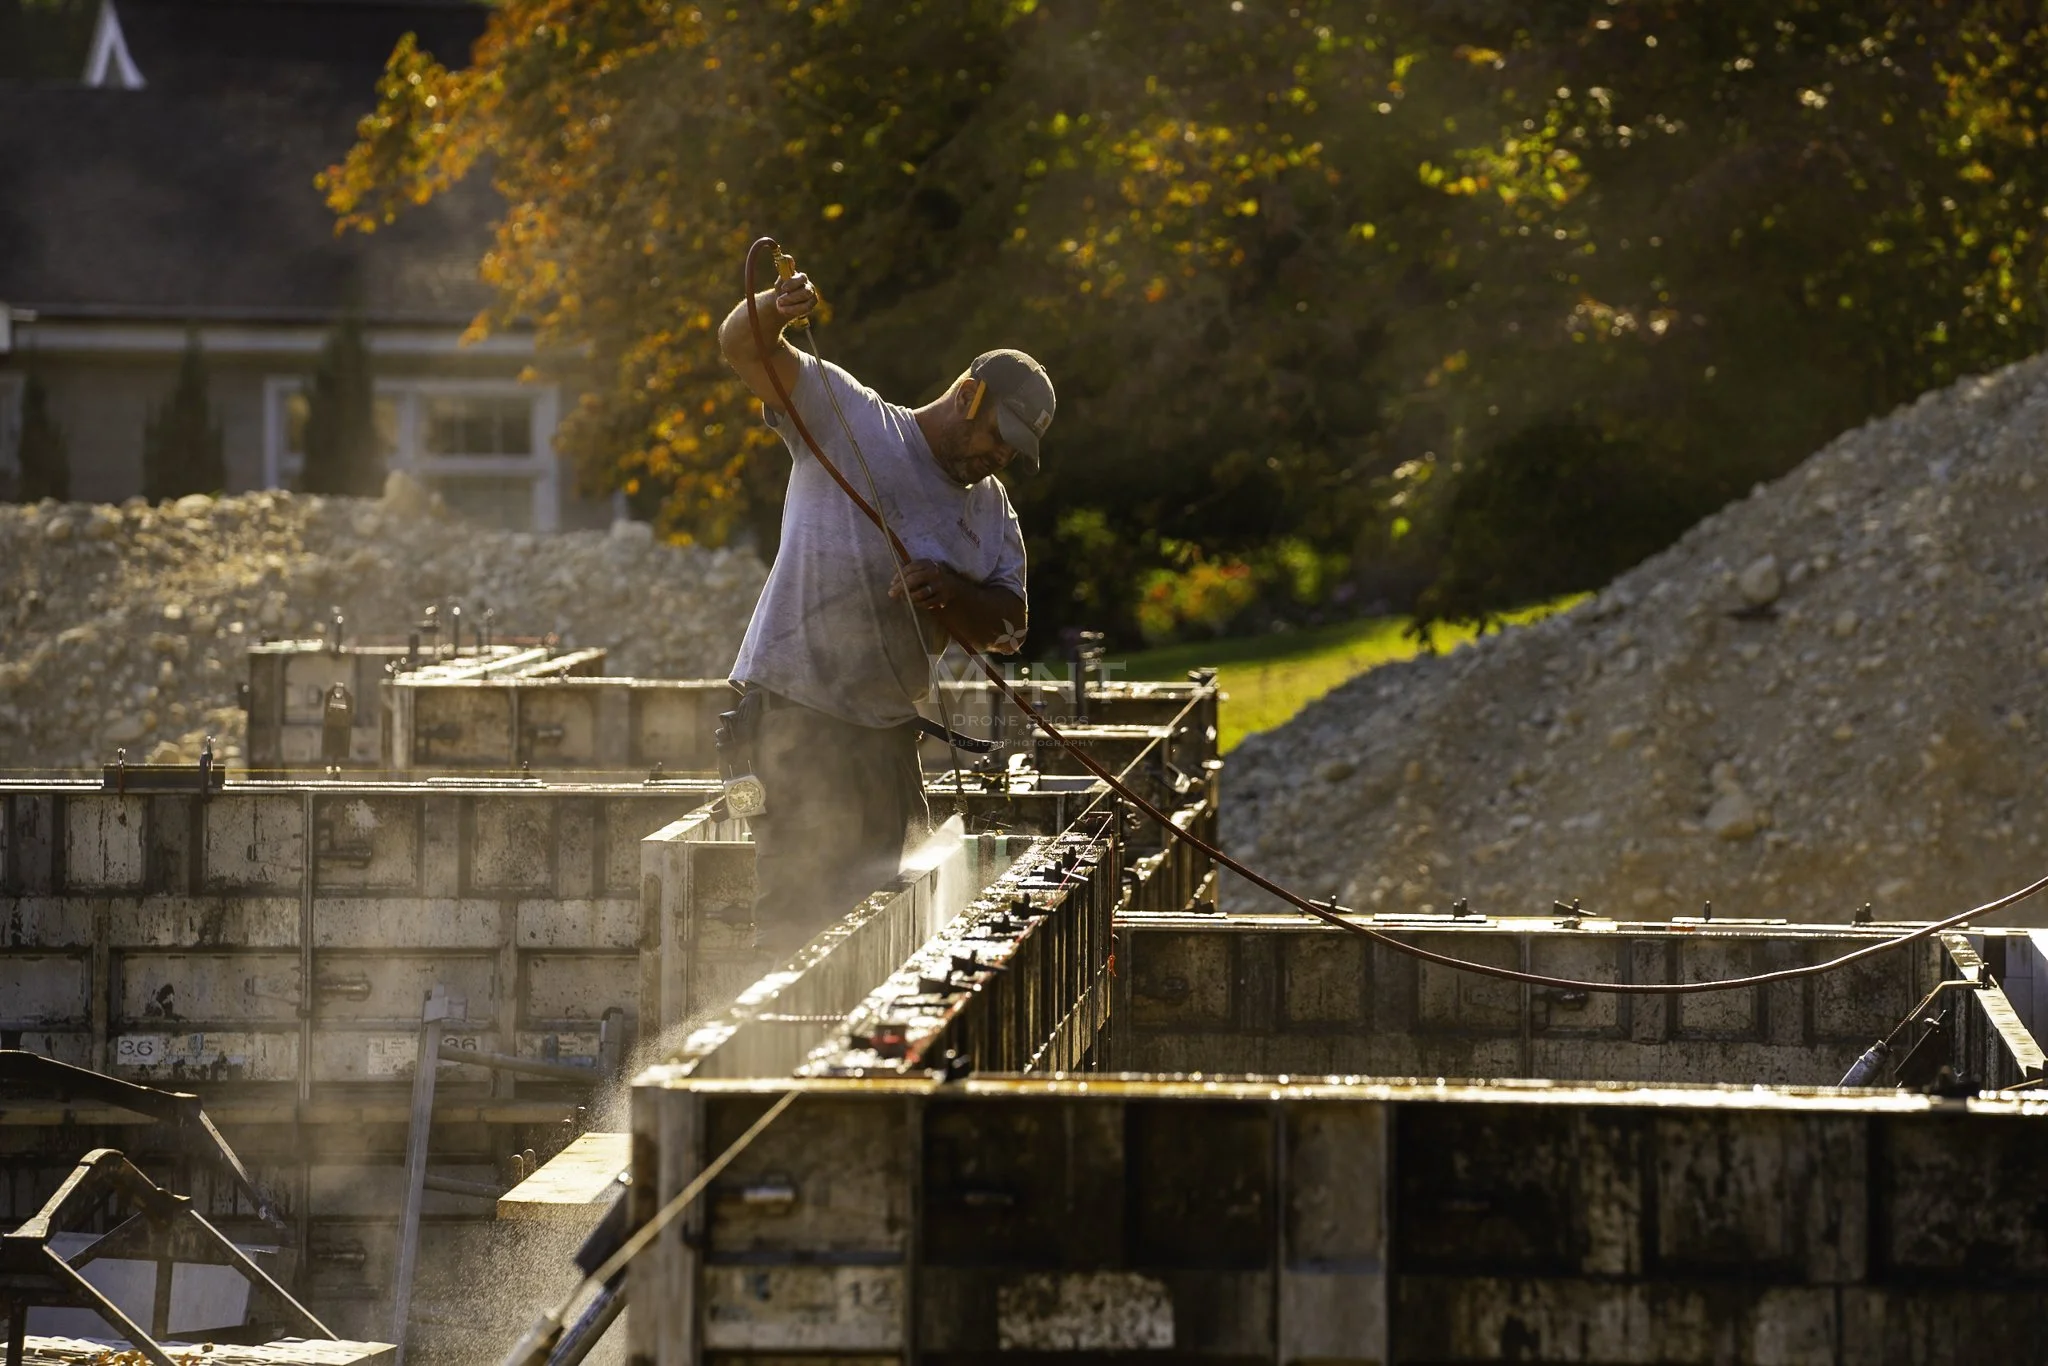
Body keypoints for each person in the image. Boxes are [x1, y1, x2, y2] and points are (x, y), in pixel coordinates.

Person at [716, 263, 1055, 955]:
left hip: (889, 736)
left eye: (1014, 452)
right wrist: (773, 308)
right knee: (797, 918)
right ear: (969, 394)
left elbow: (1010, 627)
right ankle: (764, 1051)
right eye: (998, 435)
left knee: (890, 926)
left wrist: (951, 592)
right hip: (797, 718)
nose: (999, 458)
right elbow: (742, 346)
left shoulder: (990, 513)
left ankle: (849, 1059)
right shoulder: (850, 419)